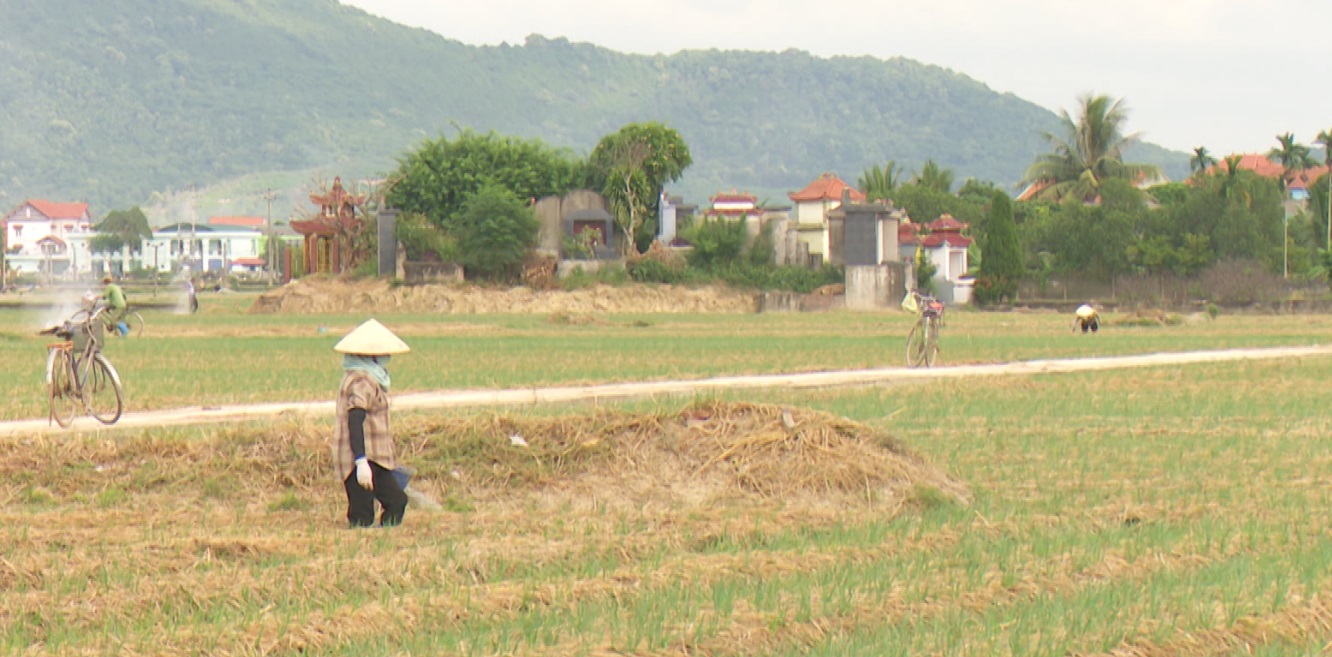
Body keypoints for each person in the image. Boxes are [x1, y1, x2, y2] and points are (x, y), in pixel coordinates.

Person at [331, 318, 411, 528]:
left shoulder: (362, 377)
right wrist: (360, 462)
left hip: (372, 458)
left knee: (391, 503)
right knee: (367, 514)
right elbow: (355, 420)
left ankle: (380, 547)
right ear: (372, 356)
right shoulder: (361, 382)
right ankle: (366, 553)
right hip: (364, 458)